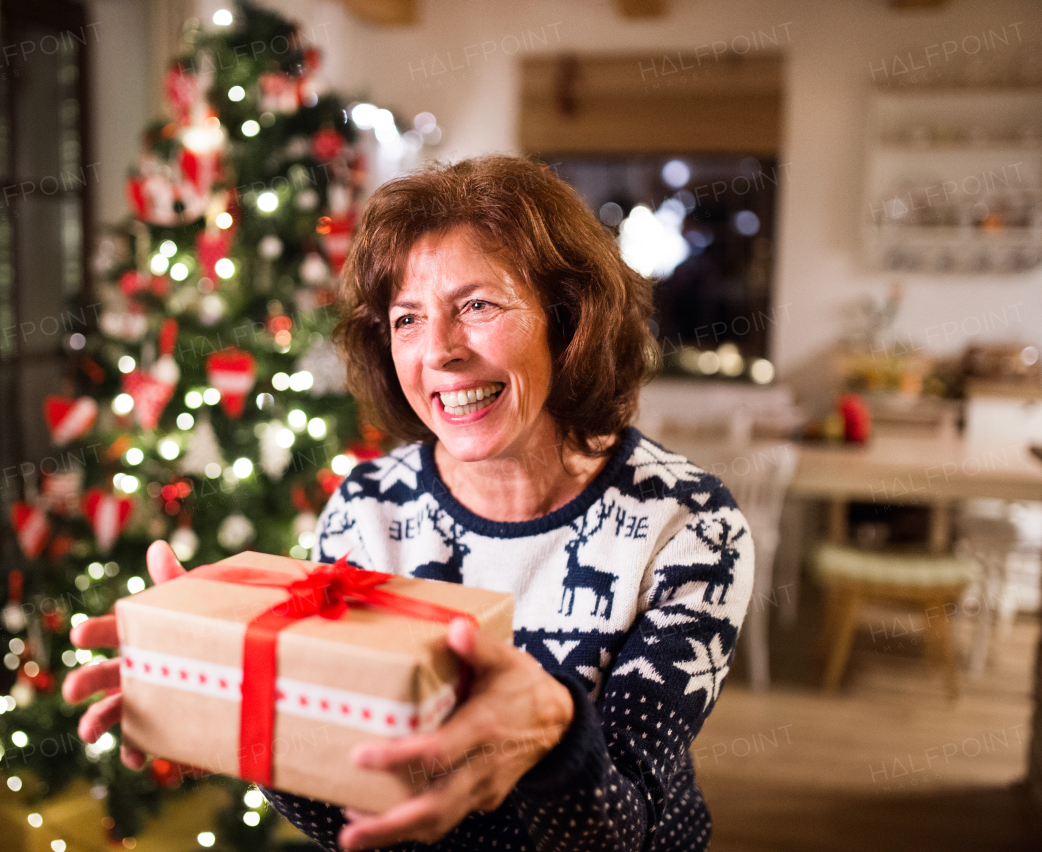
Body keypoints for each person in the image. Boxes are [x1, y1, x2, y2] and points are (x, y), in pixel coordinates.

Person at [65, 155, 754, 852]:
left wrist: (553, 732)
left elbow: (619, 833)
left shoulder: (690, 527)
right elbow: (350, 807)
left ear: (567, 318)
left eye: (477, 306)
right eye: (407, 319)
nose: (440, 352)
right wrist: (239, 712)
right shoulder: (367, 510)